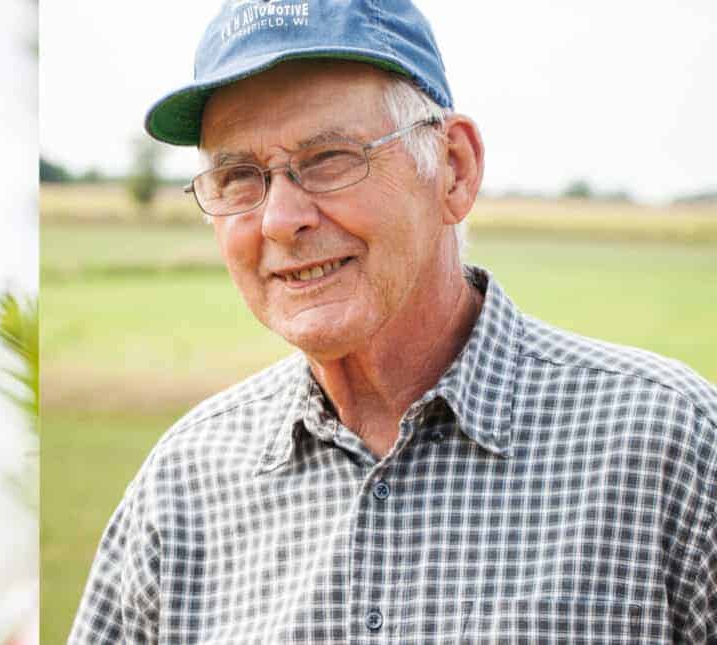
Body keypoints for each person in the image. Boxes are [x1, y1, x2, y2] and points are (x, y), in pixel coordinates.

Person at [69, 0, 717, 642]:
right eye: (238, 176)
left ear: (454, 170)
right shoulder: (181, 484)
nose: (279, 219)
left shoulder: (671, 443)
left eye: (328, 159)